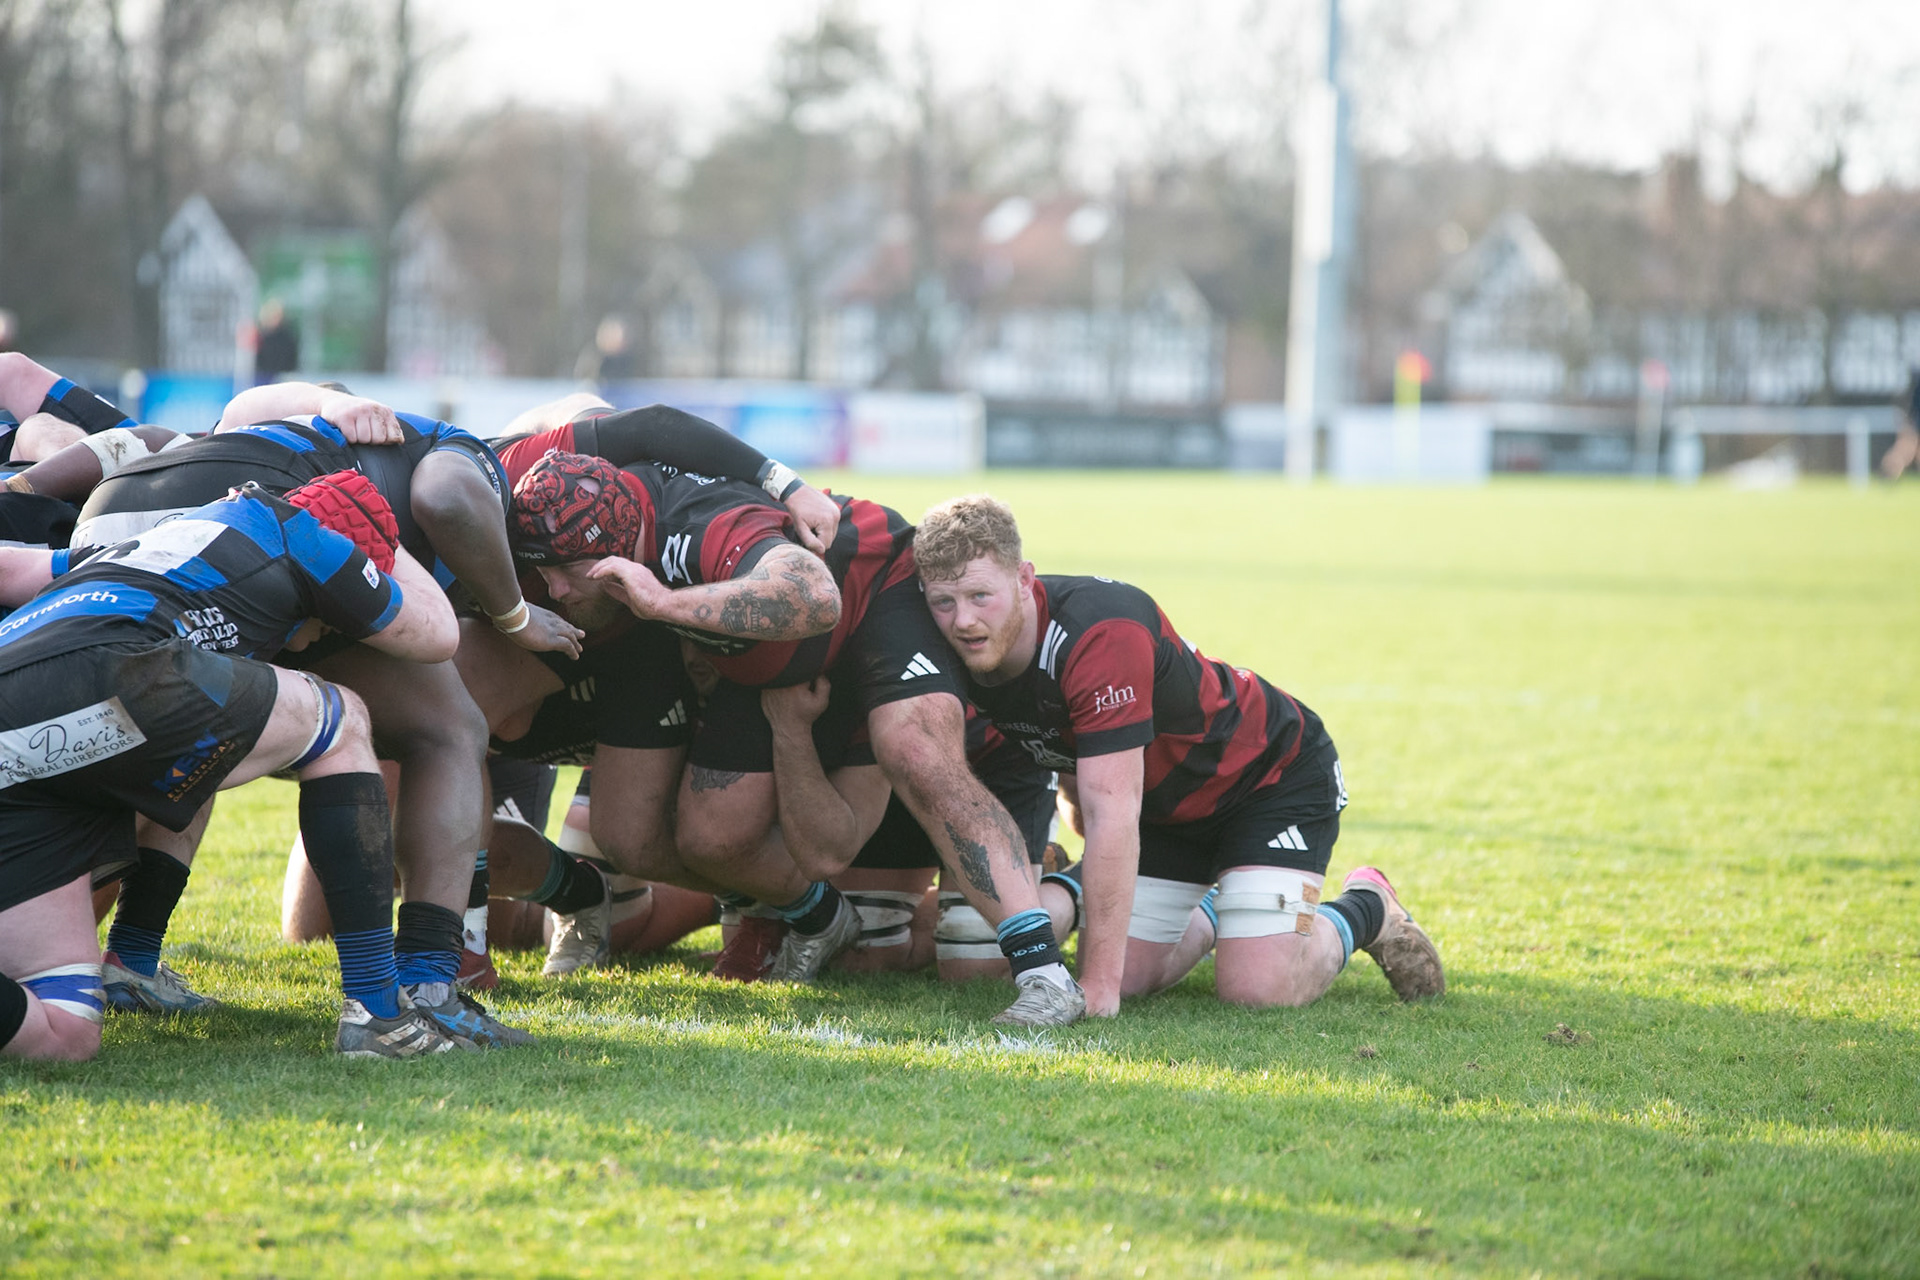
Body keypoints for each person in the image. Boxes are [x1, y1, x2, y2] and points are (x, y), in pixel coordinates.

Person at [501, 445, 1084, 1026]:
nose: (553, 591)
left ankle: (1044, 974)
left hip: (872, 596)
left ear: (614, 545)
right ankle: (814, 914)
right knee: (705, 838)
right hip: (775, 658)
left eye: (565, 571)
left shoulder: (699, 526)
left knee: (917, 751)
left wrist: (663, 603)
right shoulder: (591, 520)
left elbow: (815, 595)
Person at [911, 494, 1444, 1018]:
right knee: (1136, 976)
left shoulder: (1100, 633)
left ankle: (1368, 907)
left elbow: (1112, 814)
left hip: (1270, 778)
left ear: (1025, 579)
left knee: (1255, 988)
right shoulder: (956, 646)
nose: (962, 621)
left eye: (981, 596)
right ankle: (1230, 902)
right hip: (1166, 810)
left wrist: (1097, 989)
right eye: (944, 602)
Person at [0, 472, 472, 1060]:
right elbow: (437, 635)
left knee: (63, 1034)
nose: (315, 638)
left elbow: (11, 569)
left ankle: (132, 964)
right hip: (114, 663)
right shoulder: (297, 526)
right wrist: (378, 532)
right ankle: (379, 1014)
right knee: (342, 718)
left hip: (17, 691)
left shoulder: (158, 535)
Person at [1877, 367, 1920, 480]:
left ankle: (1888, 475)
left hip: (1912, 420)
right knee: (1904, 450)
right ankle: (1888, 474)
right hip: (1914, 421)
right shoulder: (1915, 383)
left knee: (1905, 450)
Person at [253, 300, 301, 383]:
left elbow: (290, 359)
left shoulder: (287, 336)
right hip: (262, 376)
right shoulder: (261, 335)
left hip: (281, 377)